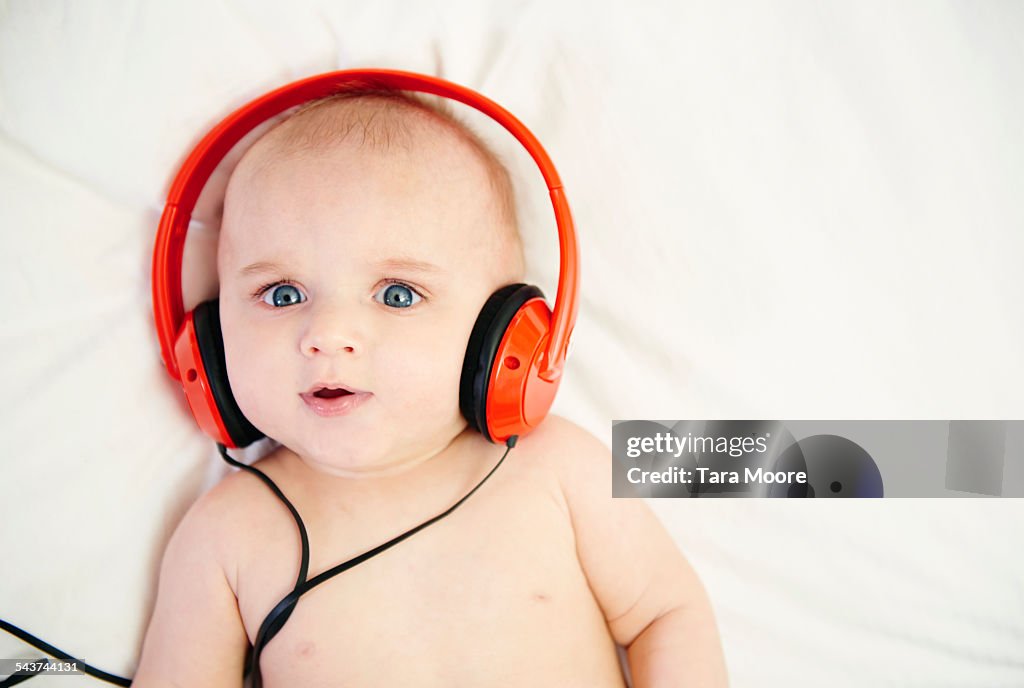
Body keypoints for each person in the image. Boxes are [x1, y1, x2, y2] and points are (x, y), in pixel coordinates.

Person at [132, 88, 728, 687]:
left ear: (503, 340)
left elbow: (666, 614)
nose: (328, 336)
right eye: (282, 294)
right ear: (204, 349)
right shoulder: (226, 535)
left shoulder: (559, 471)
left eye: (398, 294)